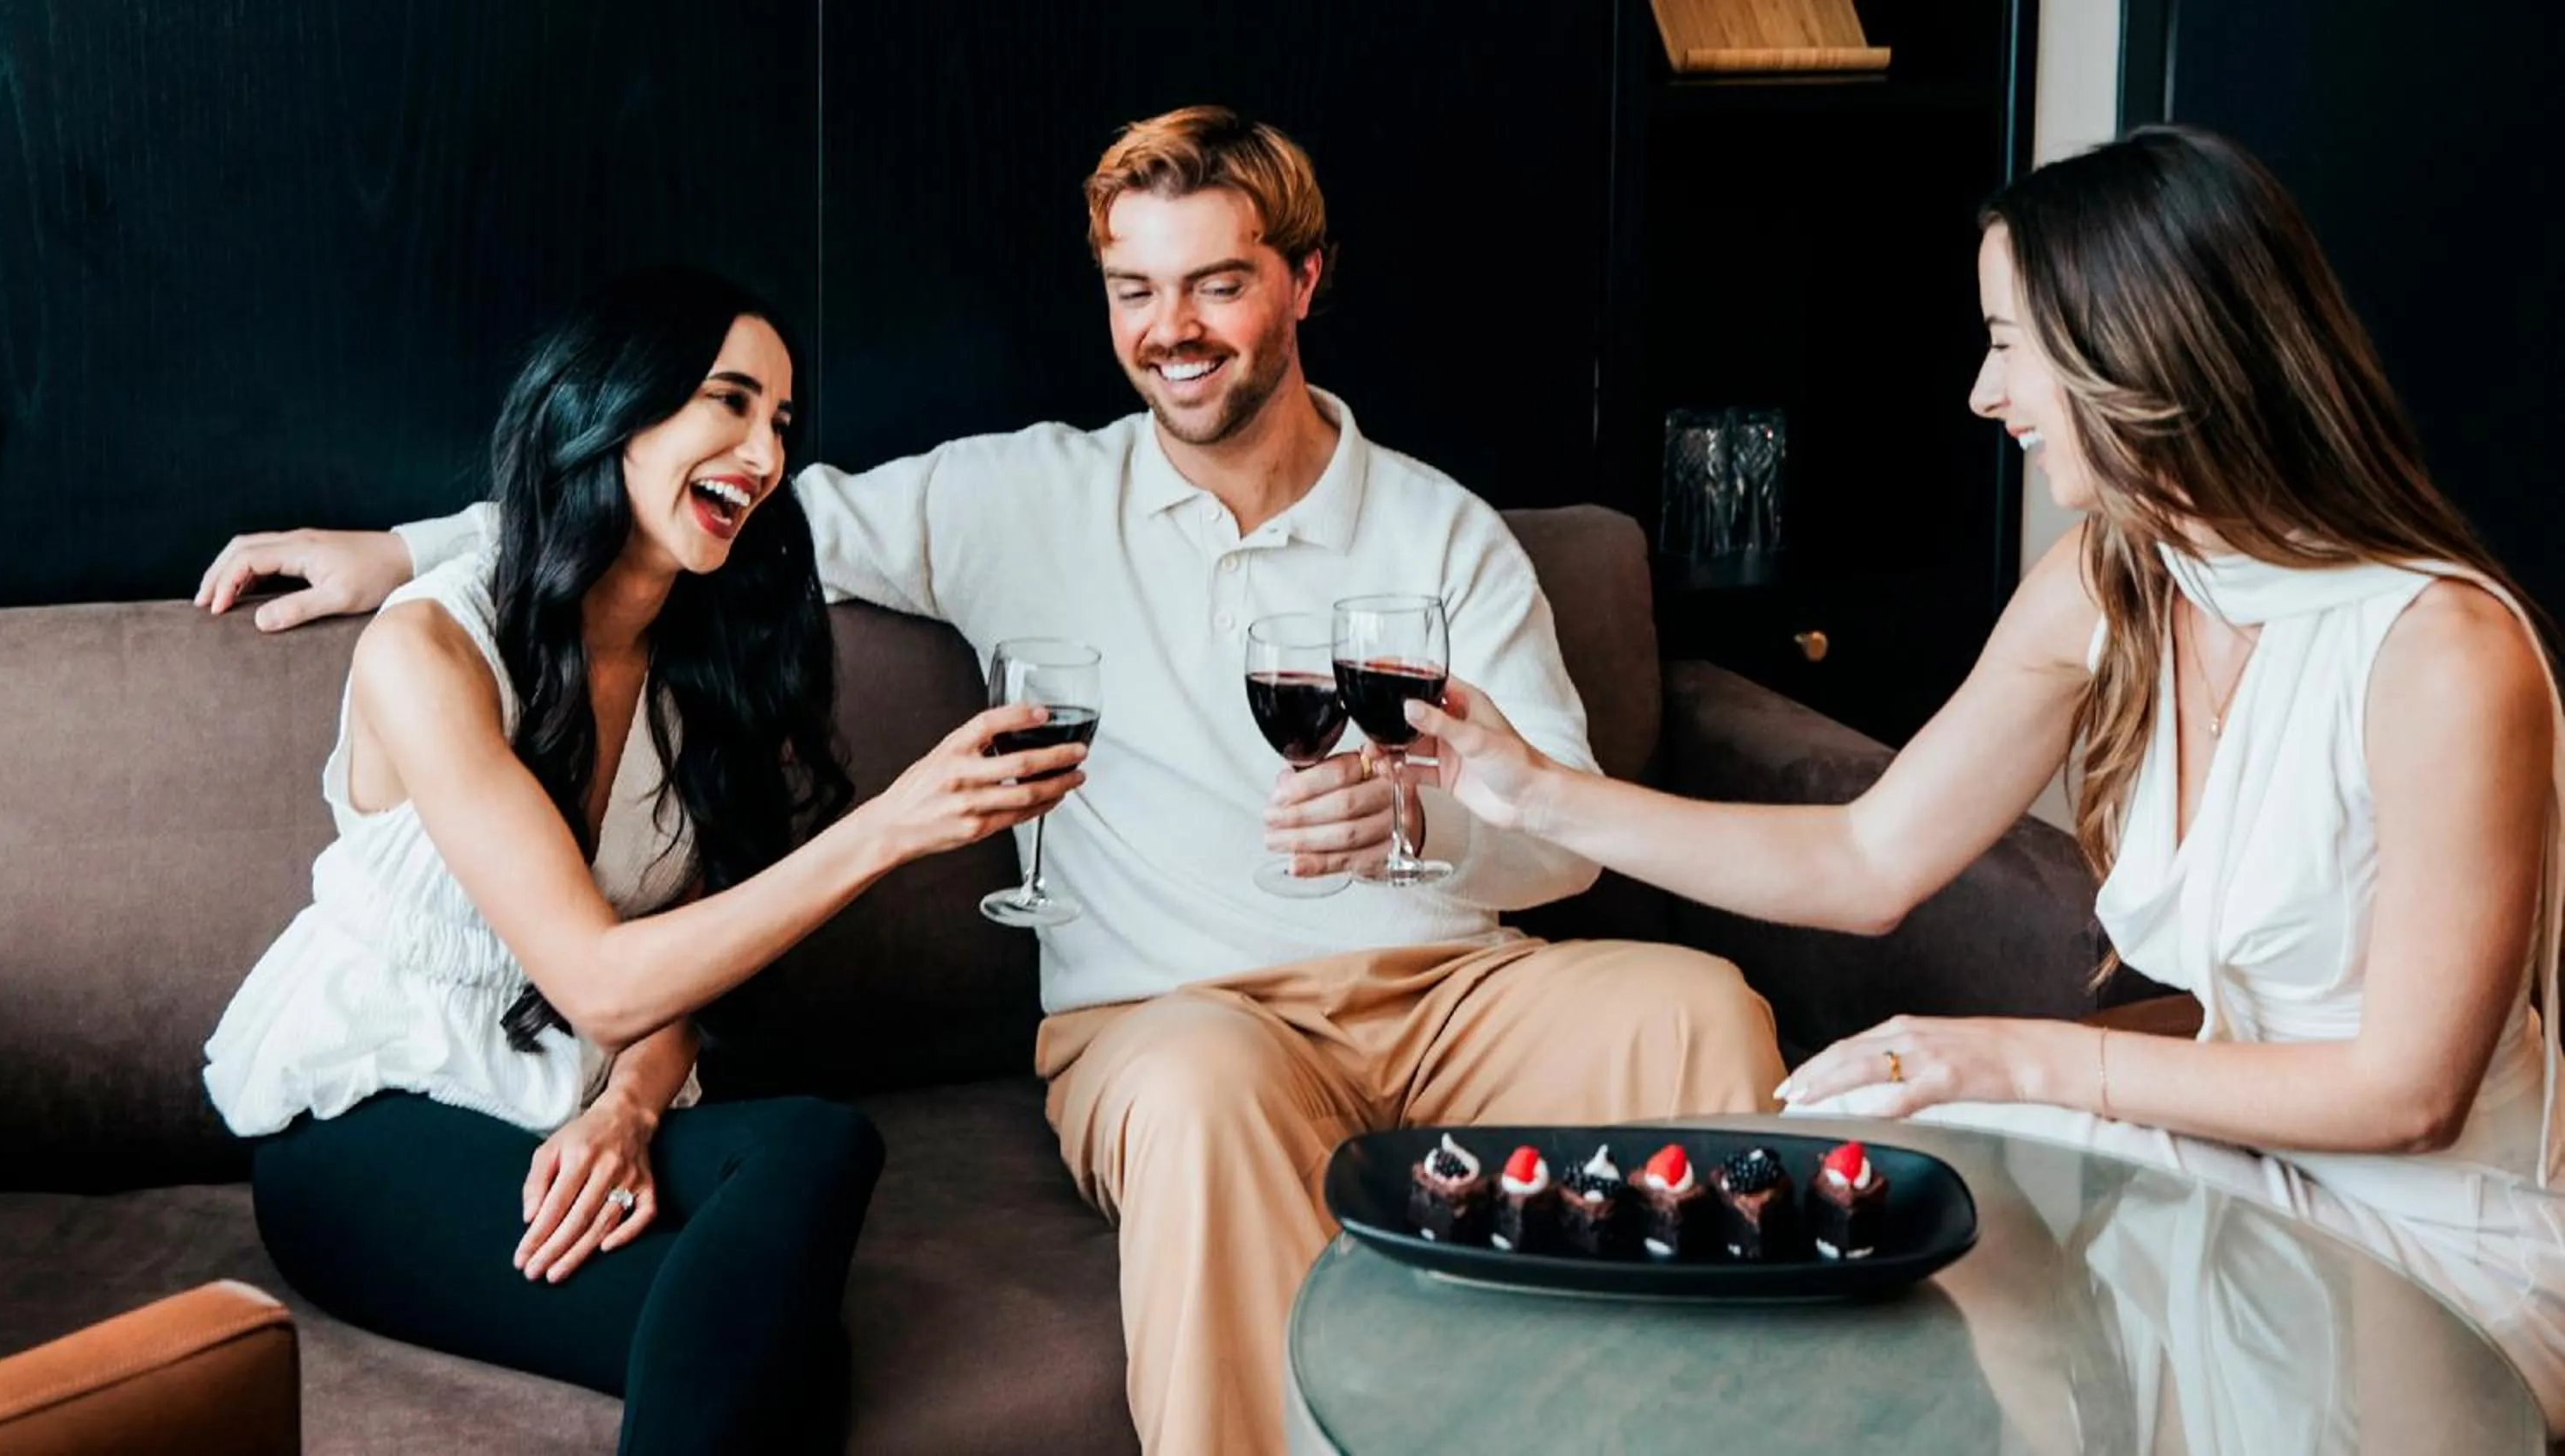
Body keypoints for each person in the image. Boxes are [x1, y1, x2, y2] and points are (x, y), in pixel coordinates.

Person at [196, 107, 1788, 1454]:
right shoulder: (1017, 498)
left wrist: (1437, 815)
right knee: (1198, 1096)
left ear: (1302, 283)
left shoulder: (1443, 531)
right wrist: (401, 550)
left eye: (1217, 285)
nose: (1171, 329)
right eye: (1134, 290)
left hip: (1449, 990)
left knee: (1700, 1006)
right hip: (1178, 1015)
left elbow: (1567, 841)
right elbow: (706, 499)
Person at [1401, 125, 2565, 1434]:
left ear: (2140, 343)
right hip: (2244, 1176)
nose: (1980, 393)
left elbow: (2409, 1098)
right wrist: (1532, 791)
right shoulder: (2107, 581)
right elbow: (1863, 860)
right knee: (1928, 1214)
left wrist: (2013, 1058)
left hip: (2440, 1238)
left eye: (2007, 342)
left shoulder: (2440, 652)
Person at [199, 267, 1088, 1453]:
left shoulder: (712, 660)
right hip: (369, 1124)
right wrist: (889, 826)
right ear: (613, 410)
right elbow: (604, 980)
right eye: (727, 403)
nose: (764, 453)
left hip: (567, 1107)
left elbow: (681, 968)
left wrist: (627, 1102)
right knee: (792, 1358)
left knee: (819, 1146)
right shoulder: (432, 649)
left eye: (779, 422)